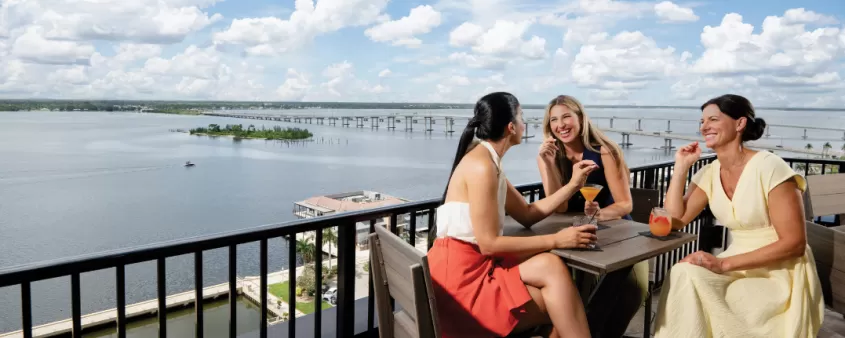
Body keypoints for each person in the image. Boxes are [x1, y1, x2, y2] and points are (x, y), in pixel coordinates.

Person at [427, 92, 597, 338]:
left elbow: (527, 214)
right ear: (510, 127)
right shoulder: (481, 166)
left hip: (468, 267)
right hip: (461, 284)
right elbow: (489, 244)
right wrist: (558, 240)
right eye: (521, 117)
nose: (524, 124)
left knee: (552, 267)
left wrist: (573, 185)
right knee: (562, 304)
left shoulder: (487, 160)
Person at [654, 94, 825, 338]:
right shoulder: (710, 173)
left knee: (736, 299)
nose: (704, 127)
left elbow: (795, 244)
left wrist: (722, 264)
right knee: (683, 272)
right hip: (735, 263)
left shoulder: (770, 167)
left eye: (713, 119)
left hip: (779, 270)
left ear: (740, 124)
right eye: (702, 121)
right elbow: (674, 220)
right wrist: (681, 168)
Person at [536, 95, 647, 337]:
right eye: (554, 119)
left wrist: (599, 214)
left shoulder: (604, 152)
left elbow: (625, 204)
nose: (561, 124)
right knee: (576, 298)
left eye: (567, 116)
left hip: (617, 235)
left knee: (629, 291)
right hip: (574, 235)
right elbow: (560, 207)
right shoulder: (550, 155)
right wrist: (547, 164)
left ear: (580, 118)